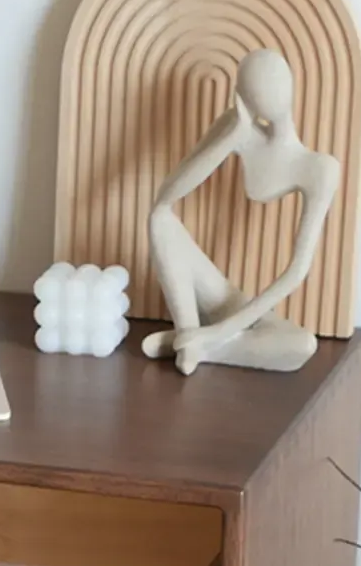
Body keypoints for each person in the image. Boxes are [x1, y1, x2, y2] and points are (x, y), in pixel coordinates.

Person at [143, 48, 339, 374]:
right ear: (243, 95)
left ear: (290, 89)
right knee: (159, 220)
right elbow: (165, 198)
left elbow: (296, 272)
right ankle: (190, 336)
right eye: (255, 89)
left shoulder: (319, 168)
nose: (266, 96)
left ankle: (194, 345)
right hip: (217, 292)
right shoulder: (236, 129)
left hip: (251, 312)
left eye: (272, 85)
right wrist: (229, 137)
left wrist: (222, 330)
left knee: (302, 344)